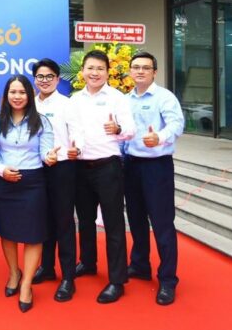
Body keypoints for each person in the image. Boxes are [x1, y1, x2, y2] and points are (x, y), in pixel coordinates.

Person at [70, 49, 135, 303]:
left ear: (108, 72)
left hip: (108, 167)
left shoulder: (117, 98)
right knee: (84, 220)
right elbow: (71, 130)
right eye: (90, 68)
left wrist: (117, 128)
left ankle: (117, 280)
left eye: (100, 69)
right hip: (80, 167)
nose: (94, 73)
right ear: (82, 71)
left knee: (113, 223)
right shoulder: (75, 99)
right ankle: (88, 262)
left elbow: (130, 130)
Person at [124, 52, 184, 306]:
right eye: (136, 67)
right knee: (136, 220)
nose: (140, 71)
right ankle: (140, 265)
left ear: (154, 72)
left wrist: (159, 137)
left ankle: (168, 279)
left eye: (146, 68)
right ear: (130, 71)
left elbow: (177, 125)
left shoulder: (164, 97)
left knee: (162, 224)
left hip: (157, 167)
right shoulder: (125, 99)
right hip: (130, 165)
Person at [0, 75, 53, 313]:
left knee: (33, 235)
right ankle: (14, 273)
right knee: (8, 232)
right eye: (13, 92)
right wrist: (1, 169)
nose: (17, 96)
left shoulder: (42, 121)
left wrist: (50, 157)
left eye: (22, 92)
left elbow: (45, 151)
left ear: (30, 95)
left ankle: (26, 283)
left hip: (33, 182)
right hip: (5, 180)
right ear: (6, 95)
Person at [30, 59, 81, 302]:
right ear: (34, 80)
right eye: (40, 76)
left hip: (62, 168)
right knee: (43, 220)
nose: (45, 80)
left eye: (49, 76)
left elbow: (78, 133)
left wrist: (77, 149)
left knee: (63, 222)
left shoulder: (67, 104)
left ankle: (68, 277)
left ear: (58, 79)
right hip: (37, 168)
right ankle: (47, 267)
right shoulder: (30, 103)